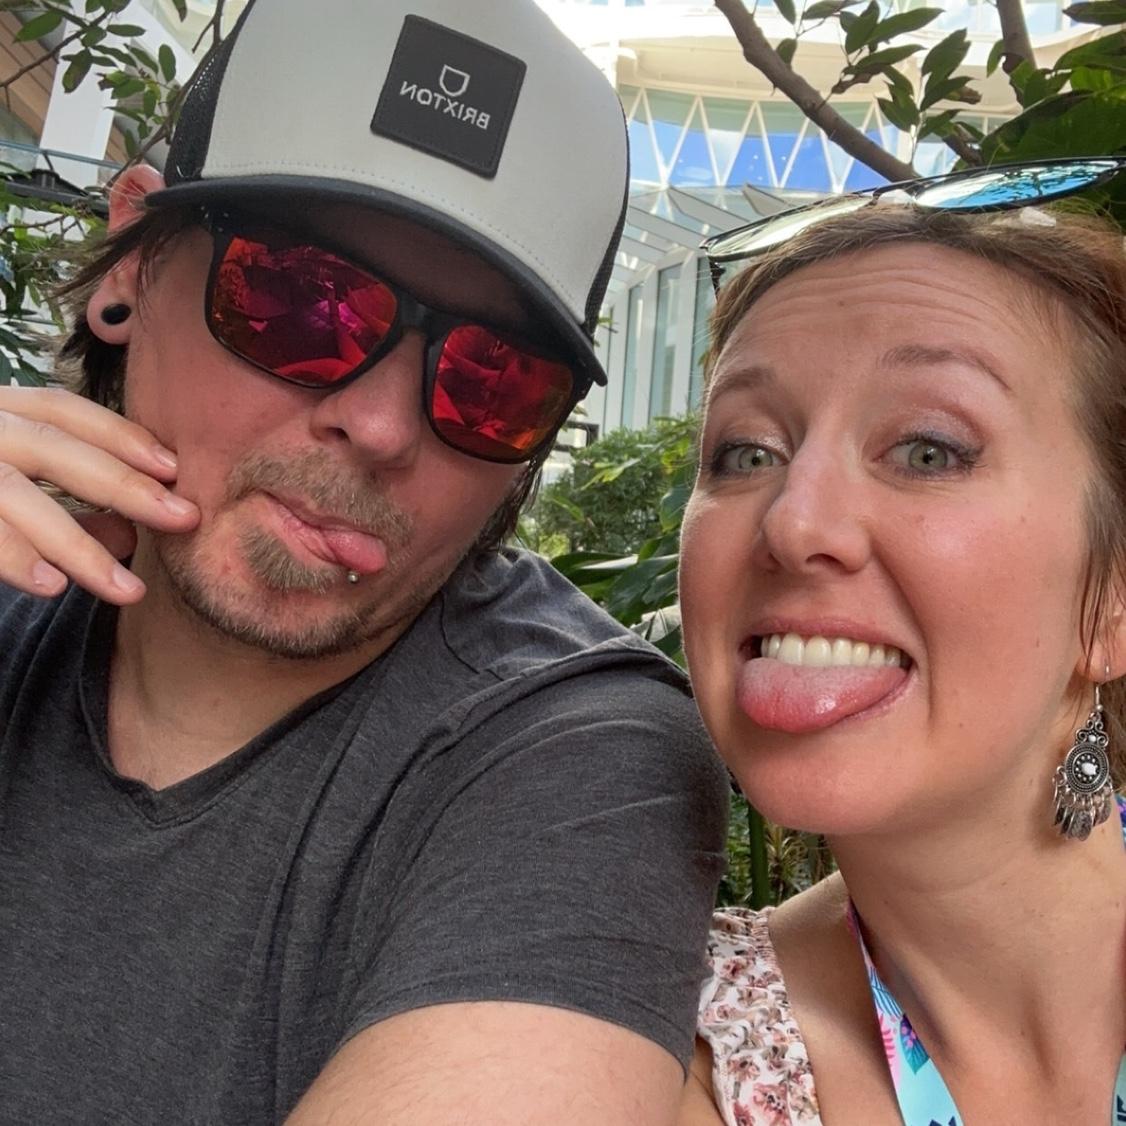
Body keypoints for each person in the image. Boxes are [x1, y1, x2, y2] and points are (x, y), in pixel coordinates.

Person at [0, 0, 729, 1120]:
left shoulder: (567, 755)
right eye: (302, 302)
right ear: (133, 263)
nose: (383, 426)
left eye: (491, 380)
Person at [674, 185, 1126, 1125]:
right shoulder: (677, 1060)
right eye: (746, 453)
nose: (793, 523)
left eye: (927, 450)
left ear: (1112, 600)